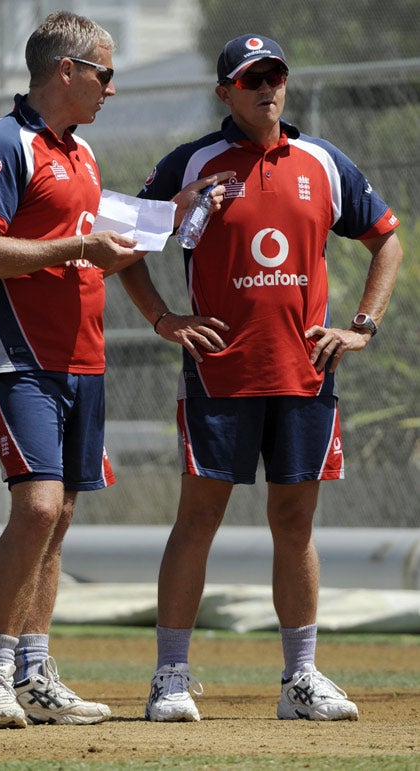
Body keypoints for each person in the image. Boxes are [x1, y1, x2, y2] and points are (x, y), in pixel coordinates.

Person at [0, 10, 229, 730]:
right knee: (37, 507)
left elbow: (107, 242)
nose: (113, 87)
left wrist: (177, 214)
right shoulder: (0, 145)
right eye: (106, 74)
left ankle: (34, 670)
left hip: (84, 356)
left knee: (63, 516)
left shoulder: (82, 155)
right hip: (23, 355)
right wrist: (76, 246)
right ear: (67, 72)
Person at [118, 34, 403, 722]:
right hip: (220, 371)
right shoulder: (194, 162)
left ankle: (300, 677)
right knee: (198, 518)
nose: (267, 87)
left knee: (294, 520)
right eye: (252, 79)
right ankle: (171, 677)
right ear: (226, 93)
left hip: (305, 373)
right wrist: (164, 319)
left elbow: (386, 238)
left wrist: (361, 325)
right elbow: (124, 236)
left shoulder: (322, 162)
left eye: (275, 75)